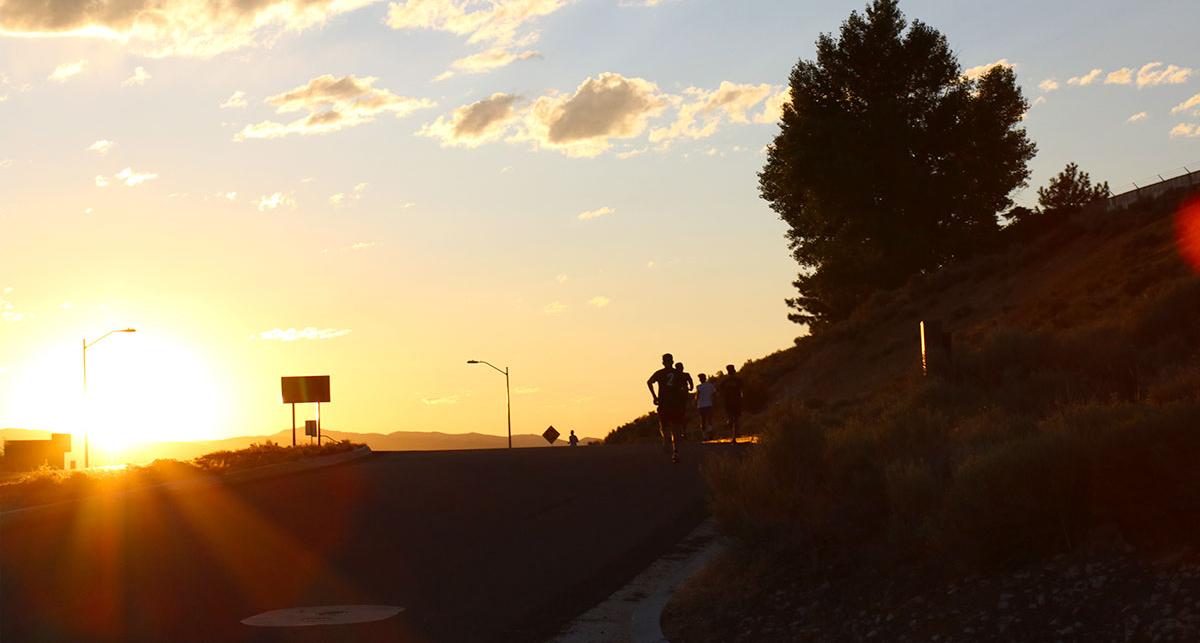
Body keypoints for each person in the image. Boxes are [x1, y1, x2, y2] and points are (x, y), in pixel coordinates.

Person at [647, 352, 686, 463]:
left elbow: (649, 382)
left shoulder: (659, 373)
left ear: (663, 362)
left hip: (664, 403)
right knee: (676, 427)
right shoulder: (678, 373)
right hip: (676, 403)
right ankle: (676, 451)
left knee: (664, 425)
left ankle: (665, 440)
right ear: (672, 362)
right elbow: (683, 388)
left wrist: (654, 396)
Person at [721, 364, 743, 443]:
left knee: (731, 418)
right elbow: (742, 390)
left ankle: (733, 435)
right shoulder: (738, 380)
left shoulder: (725, 381)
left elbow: (721, 390)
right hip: (736, 401)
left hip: (728, 401)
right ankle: (734, 436)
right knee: (736, 419)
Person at [674, 362, 694, 439]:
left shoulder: (678, 375)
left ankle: (682, 432)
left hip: (680, 396)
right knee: (682, 413)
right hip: (680, 396)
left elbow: (691, 382)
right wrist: (691, 387)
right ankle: (682, 432)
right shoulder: (683, 375)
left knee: (682, 413)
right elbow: (691, 382)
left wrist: (691, 387)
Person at [695, 373, 717, 440]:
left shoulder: (699, 387)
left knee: (703, 421)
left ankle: (704, 436)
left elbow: (697, 396)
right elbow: (714, 394)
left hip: (701, 405)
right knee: (709, 420)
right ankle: (710, 433)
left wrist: (694, 402)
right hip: (709, 404)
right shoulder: (710, 385)